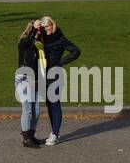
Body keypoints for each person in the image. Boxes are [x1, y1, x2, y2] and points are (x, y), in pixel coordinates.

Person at [38, 16, 81, 145]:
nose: (46, 29)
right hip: (43, 74)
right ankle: (54, 131)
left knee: (54, 102)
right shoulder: (41, 38)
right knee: (49, 104)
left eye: (48, 26)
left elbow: (76, 51)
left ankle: (55, 133)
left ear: (53, 25)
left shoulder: (60, 38)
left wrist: (60, 63)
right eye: (43, 27)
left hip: (56, 74)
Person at [16, 20, 46, 148]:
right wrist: (34, 29)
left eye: (40, 32)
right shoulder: (24, 43)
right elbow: (28, 42)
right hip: (24, 77)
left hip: (36, 79)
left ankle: (31, 135)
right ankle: (26, 139)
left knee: (37, 110)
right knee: (27, 109)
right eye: (37, 31)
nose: (39, 34)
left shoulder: (39, 45)